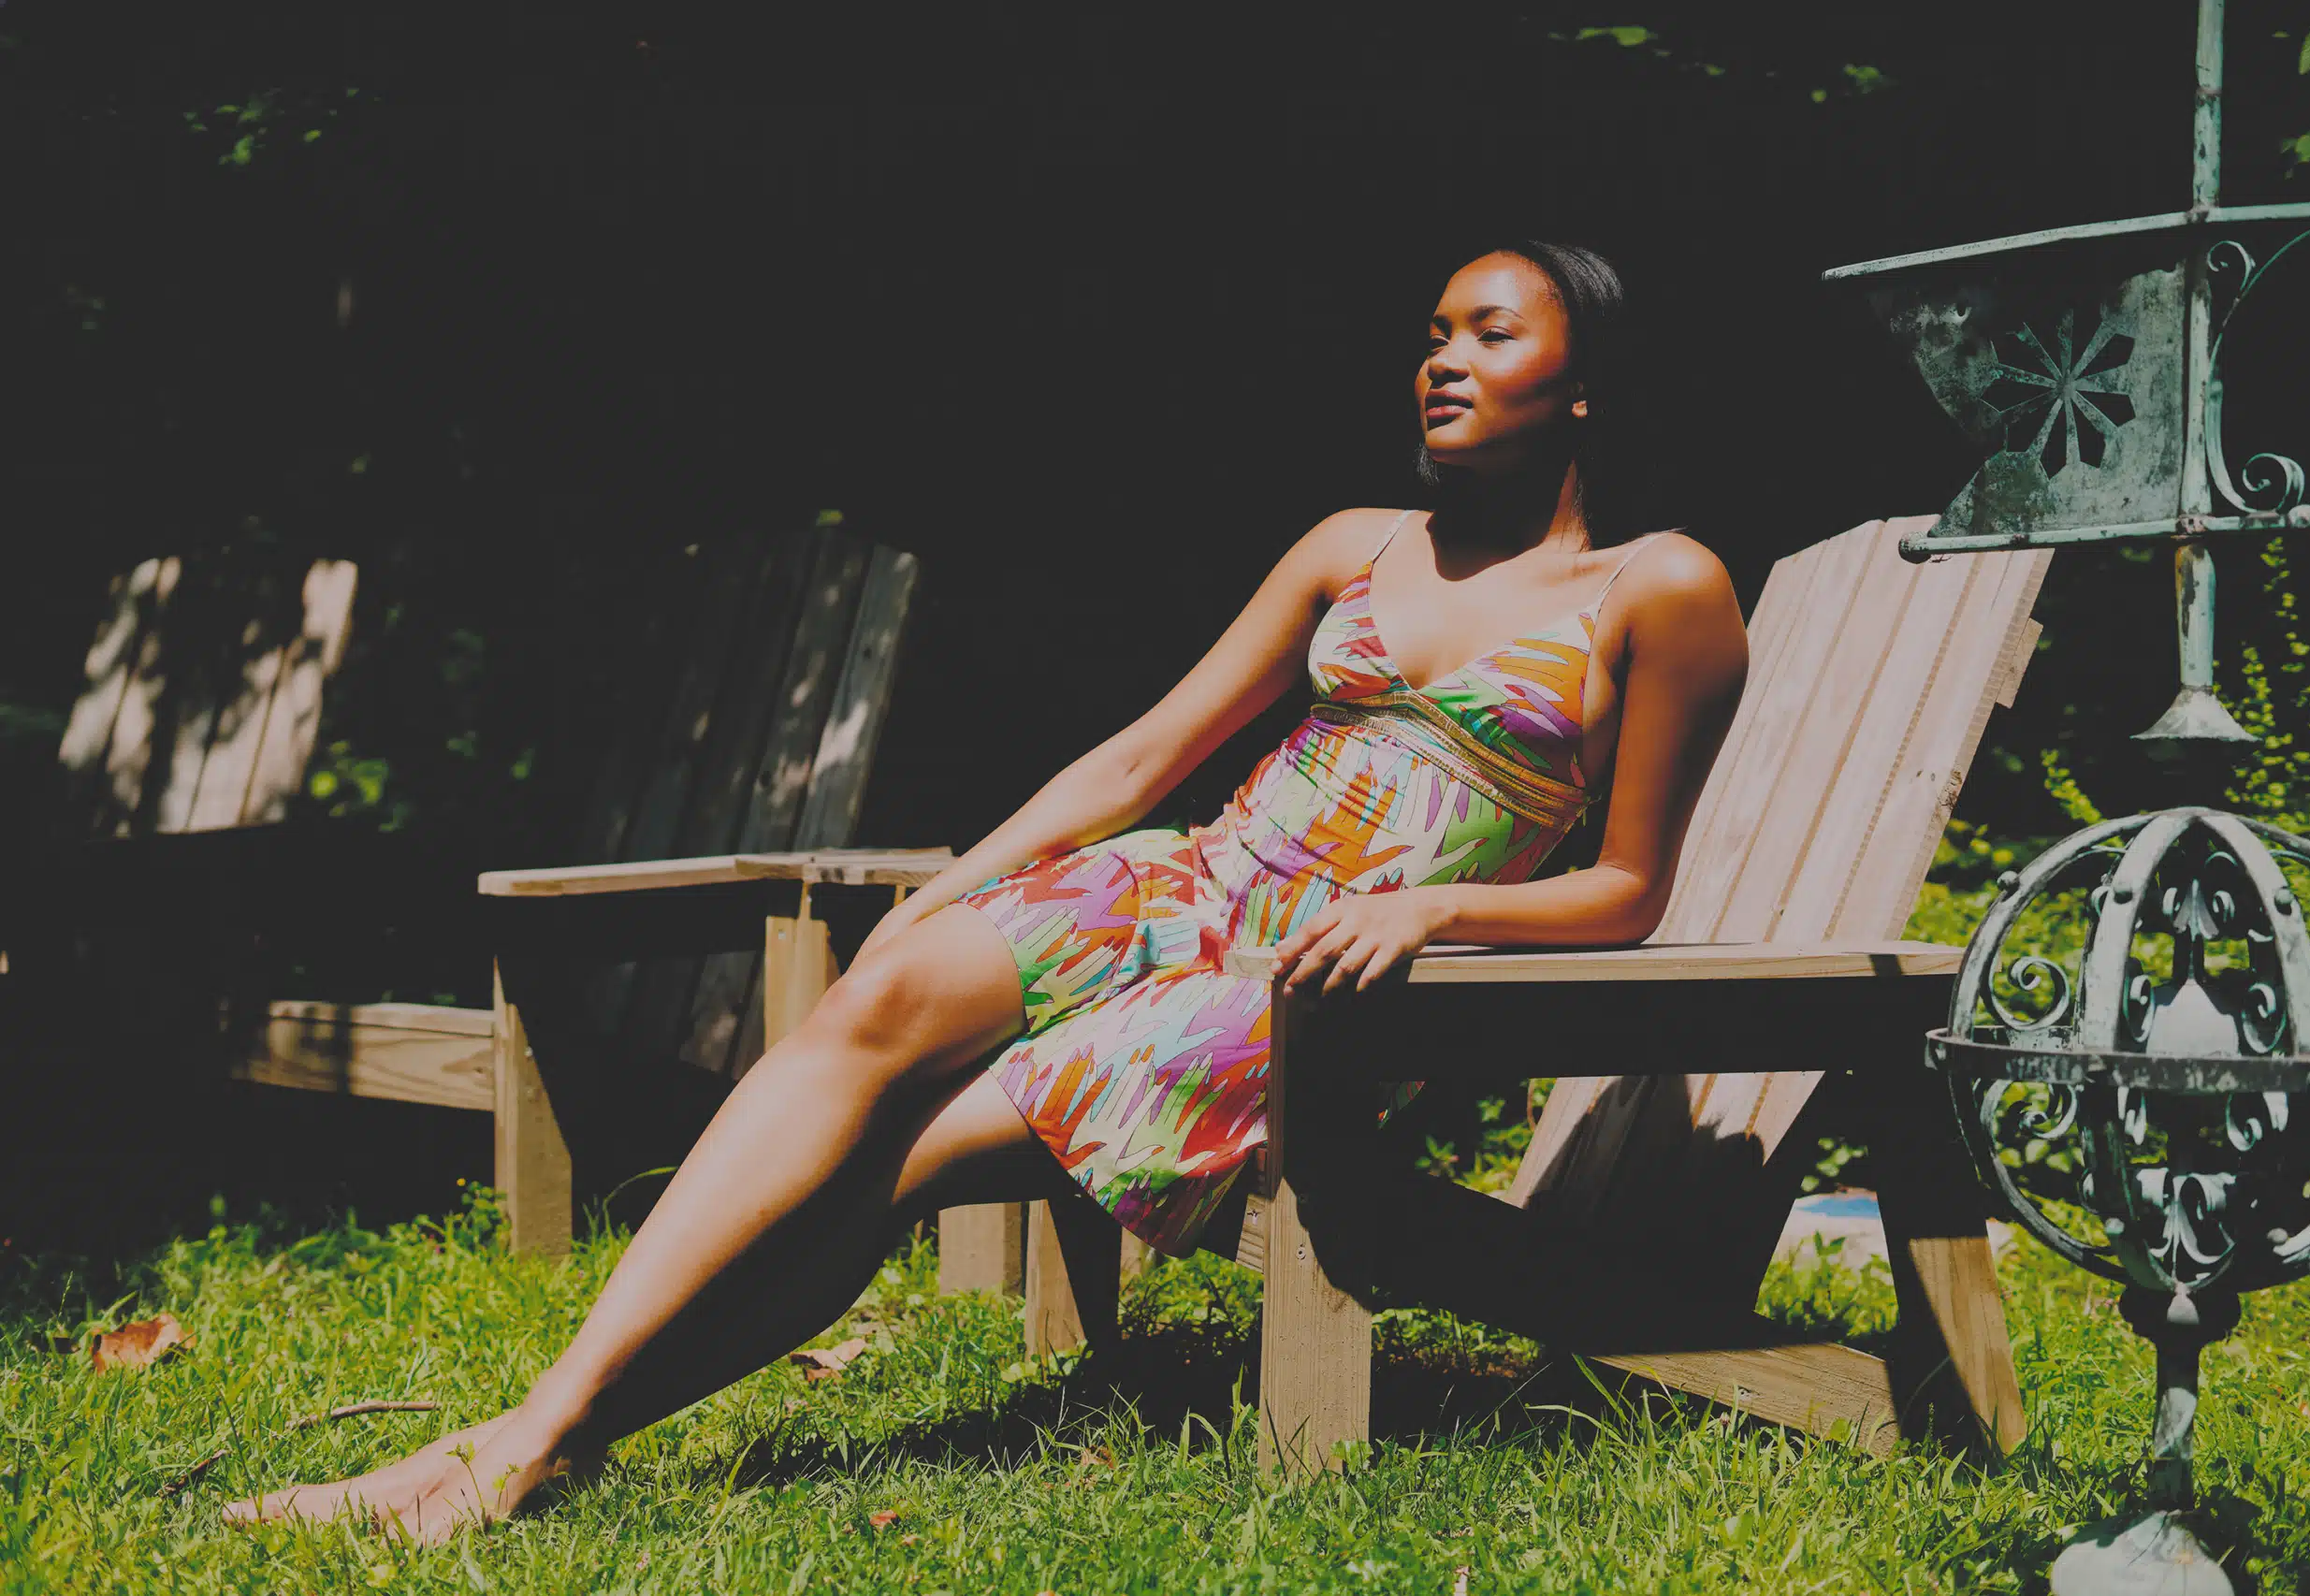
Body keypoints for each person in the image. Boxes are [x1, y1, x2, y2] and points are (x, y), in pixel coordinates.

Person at [227, 239, 1751, 1543]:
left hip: (1317, 985)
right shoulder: (1359, 546)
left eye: (1490, 333)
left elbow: (1626, 890)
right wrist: (955, 883)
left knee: (909, 1154)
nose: (1442, 360)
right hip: (1195, 879)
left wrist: (1428, 911)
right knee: (880, 995)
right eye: (1432, 333)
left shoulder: (1659, 587)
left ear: (1586, 382)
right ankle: (535, 1427)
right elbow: (1150, 750)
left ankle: (537, 1443)